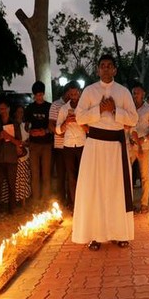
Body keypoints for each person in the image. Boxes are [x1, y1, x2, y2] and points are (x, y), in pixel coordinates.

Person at [72, 54, 138, 250]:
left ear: (115, 70)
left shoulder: (123, 92)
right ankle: (94, 234)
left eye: (110, 66)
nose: (106, 69)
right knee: (95, 189)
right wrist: (99, 111)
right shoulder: (90, 91)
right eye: (102, 66)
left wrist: (115, 110)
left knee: (116, 189)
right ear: (98, 70)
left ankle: (120, 233)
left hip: (116, 147)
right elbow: (79, 117)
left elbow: (133, 119)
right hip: (95, 146)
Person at [55, 81, 87, 210]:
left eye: (76, 93)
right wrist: (66, 122)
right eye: (71, 93)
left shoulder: (84, 108)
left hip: (82, 144)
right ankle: (75, 205)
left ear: (79, 92)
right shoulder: (63, 109)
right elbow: (58, 130)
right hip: (68, 145)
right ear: (68, 93)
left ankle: (83, 204)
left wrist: (79, 121)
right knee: (71, 176)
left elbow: (90, 129)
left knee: (83, 175)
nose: (74, 96)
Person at [128, 83, 149, 213]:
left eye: (138, 93)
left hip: (144, 147)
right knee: (126, 174)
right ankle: (128, 202)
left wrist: (144, 138)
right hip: (130, 146)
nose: (135, 95)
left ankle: (144, 203)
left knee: (144, 175)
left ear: (143, 94)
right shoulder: (128, 108)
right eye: (134, 92)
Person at [0, 100, 23, 215]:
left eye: (4, 108)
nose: (3, 111)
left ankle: (12, 209)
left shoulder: (15, 124)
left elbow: (19, 142)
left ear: (8, 109)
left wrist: (9, 136)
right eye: (1, 109)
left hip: (11, 158)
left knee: (11, 186)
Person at [25, 81, 53, 204]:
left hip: (46, 144)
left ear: (44, 93)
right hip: (34, 144)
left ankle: (46, 198)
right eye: (37, 95)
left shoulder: (49, 107)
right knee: (35, 173)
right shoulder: (29, 108)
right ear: (34, 95)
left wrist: (45, 131)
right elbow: (26, 126)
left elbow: (53, 125)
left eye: (41, 94)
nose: (39, 97)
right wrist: (31, 131)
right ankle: (36, 198)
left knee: (46, 173)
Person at [48, 85, 69, 206]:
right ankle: (62, 200)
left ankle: (72, 200)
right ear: (66, 93)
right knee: (61, 175)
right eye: (70, 94)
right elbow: (51, 124)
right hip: (60, 145)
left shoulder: (76, 105)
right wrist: (58, 132)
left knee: (72, 174)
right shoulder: (56, 105)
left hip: (73, 145)